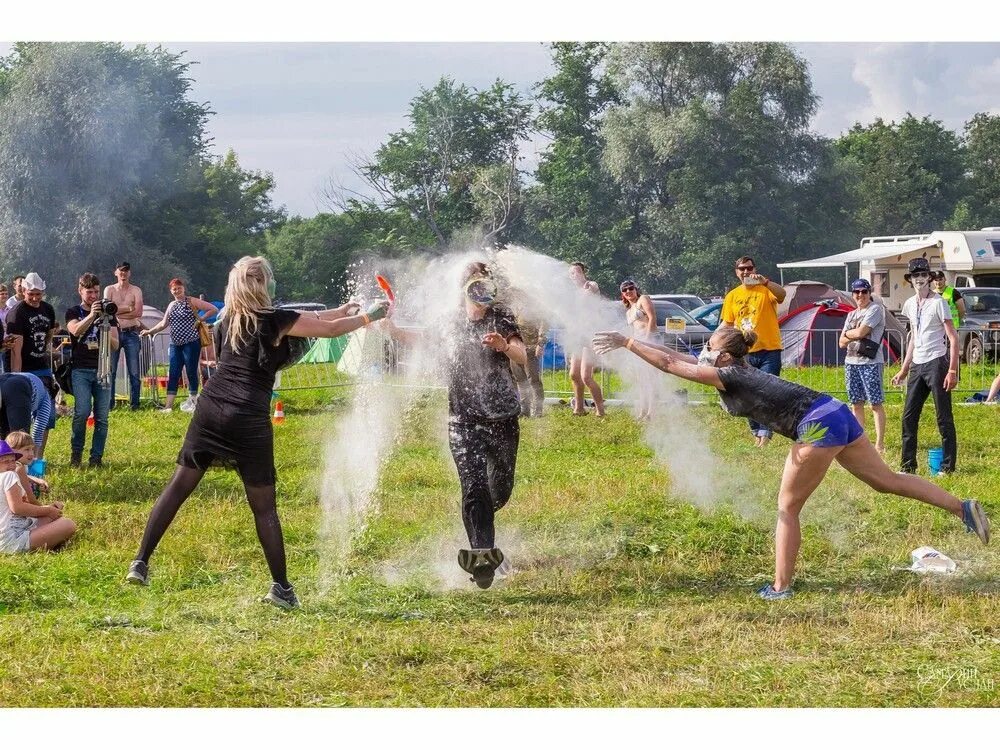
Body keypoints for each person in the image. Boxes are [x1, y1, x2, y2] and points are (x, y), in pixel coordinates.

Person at [592, 326, 990, 600]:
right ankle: (963, 508)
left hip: (816, 426)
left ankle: (781, 587)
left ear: (725, 354)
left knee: (787, 508)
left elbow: (667, 365)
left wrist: (628, 343)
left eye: (709, 346)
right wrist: (637, 341)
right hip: (832, 412)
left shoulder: (730, 376)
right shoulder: (732, 368)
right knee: (885, 480)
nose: (704, 351)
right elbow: (675, 355)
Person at [126, 256, 389, 610]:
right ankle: (281, 587)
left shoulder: (225, 320)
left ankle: (140, 562)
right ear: (264, 285)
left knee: (178, 487)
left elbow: (312, 321)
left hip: (210, 409)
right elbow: (325, 330)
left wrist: (342, 309)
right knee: (263, 507)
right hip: (248, 415)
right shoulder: (273, 319)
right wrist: (370, 316)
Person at [385, 261, 527, 588]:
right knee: (474, 486)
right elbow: (424, 342)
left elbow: (521, 355)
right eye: (475, 285)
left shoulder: (501, 318)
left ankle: (480, 522)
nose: (481, 292)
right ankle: (482, 556)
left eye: (486, 285)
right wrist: (392, 331)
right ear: (464, 288)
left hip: (502, 419)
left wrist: (504, 346)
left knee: (499, 492)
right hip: (462, 419)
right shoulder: (448, 322)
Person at [890, 257, 960, 475]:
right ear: (910, 280)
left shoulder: (938, 302)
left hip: (937, 362)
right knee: (909, 416)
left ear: (929, 277)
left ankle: (947, 467)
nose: (919, 279)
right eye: (915, 276)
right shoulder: (910, 304)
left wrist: (952, 370)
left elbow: (953, 338)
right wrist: (903, 369)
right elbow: (913, 337)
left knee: (943, 416)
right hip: (917, 365)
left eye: (923, 275)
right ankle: (907, 466)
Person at [719, 255, 787, 447]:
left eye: (749, 268)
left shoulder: (766, 289)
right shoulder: (732, 295)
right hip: (744, 352)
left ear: (755, 269)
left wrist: (765, 281)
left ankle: (765, 435)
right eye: (742, 269)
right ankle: (756, 432)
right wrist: (713, 340)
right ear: (737, 272)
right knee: (746, 393)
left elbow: (782, 295)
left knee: (766, 392)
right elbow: (727, 323)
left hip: (769, 350)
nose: (746, 272)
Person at [66, 273, 120, 468]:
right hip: (80, 369)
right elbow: (75, 331)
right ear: (80, 291)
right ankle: (76, 453)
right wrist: (91, 316)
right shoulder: (73, 311)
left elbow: (115, 345)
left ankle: (96, 458)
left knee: (102, 417)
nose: (93, 296)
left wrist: (105, 330)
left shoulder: (108, 313)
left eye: (96, 292)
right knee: (81, 412)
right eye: (89, 292)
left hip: (103, 369)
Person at [140, 278, 218, 413]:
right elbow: (164, 324)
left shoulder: (192, 301)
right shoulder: (171, 305)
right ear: (171, 291)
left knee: (191, 371)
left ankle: (193, 401)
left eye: (179, 288)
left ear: (183, 288)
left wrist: (200, 319)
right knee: (174, 373)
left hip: (191, 342)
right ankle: (168, 406)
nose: (177, 291)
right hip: (175, 343)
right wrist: (149, 331)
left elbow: (213, 309)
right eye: (174, 289)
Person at [6, 272, 59, 456]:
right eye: (31, 294)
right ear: (24, 291)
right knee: (22, 418)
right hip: (24, 370)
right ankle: (18, 457)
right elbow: (16, 350)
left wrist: (49, 353)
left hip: (42, 367)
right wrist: (17, 377)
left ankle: (37, 457)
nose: (35, 298)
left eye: (38, 294)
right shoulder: (17, 313)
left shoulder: (48, 309)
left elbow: (49, 337)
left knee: (48, 415)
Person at [0, 438, 76, 554]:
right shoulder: (8, 476)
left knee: (51, 516)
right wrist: (47, 511)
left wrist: (47, 509)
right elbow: (17, 508)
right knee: (68, 524)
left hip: (14, 530)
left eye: (12, 461)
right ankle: (43, 544)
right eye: (6, 461)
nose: (11, 465)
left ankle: (47, 538)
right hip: (12, 540)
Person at [839, 278, 887, 454]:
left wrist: (851, 333)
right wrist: (854, 334)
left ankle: (879, 444)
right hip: (851, 362)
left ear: (869, 293)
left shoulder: (875, 309)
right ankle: (860, 441)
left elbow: (861, 332)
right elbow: (841, 342)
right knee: (856, 404)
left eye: (864, 292)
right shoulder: (851, 314)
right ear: (852, 295)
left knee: (875, 404)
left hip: (871, 363)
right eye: (857, 292)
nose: (861, 295)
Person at [103, 261, 145, 410]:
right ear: (116, 272)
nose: (123, 274)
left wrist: (116, 310)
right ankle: (109, 404)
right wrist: (128, 308)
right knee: (111, 370)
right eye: (121, 271)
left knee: (134, 370)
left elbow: (139, 312)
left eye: (126, 271)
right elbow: (106, 310)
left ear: (130, 273)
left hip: (131, 332)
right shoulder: (109, 290)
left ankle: (135, 404)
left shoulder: (136, 290)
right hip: (114, 332)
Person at [567, 261, 605, 417]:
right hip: (578, 336)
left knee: (586, 376)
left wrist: (590, 290)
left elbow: (594, 288)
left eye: (576, 272)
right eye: (571, 273)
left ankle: (601, 411)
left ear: (583, 273)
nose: (574, 275)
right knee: (574, 375)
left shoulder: (590, 285)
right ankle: (580, 408)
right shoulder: (572, 293)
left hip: (590, 336)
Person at [620, 279, 658, 420]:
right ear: (622, 294)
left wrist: (648, 340)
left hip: (651, 341)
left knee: (651, 378)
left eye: (631, 288)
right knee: (641, 380)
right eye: (625, 290)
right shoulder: (628, 312)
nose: (628, 291)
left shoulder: (643, 299)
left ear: (636, 289)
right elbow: (631, 331)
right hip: (638, 344)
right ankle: (642, 411)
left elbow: (652, 318)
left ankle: (651, 412)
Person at [0, 371, 54, 453]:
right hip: (17, 387)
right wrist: (34, 457)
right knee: (20, 438)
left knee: (4, 434)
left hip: (3, 378)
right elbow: (39, 428)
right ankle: (19, 464)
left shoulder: (39, 389)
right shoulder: (46, 399)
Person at [510, 314, 546, 418]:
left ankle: (537, 410)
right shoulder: (513, 303)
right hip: (514, 348)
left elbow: (544, 322)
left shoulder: (534, 304)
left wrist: (541, 343)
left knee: (533, 380)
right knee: (520, 380)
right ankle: (525, 410)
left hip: (530, 348)